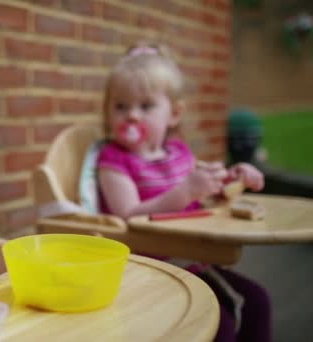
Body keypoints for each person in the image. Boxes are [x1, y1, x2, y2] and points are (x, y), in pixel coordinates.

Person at [96, 42, 271, 342]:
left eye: (146, 105)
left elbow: (203, 196)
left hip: (193, 254)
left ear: (174, 114)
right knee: (222, 326)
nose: (132, 115)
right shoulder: (114, 161)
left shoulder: (178, 152)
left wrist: (233, 180)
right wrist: (184, 191)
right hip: (154, 265)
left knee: (257, 300)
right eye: (121, 106)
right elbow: (128, 215)